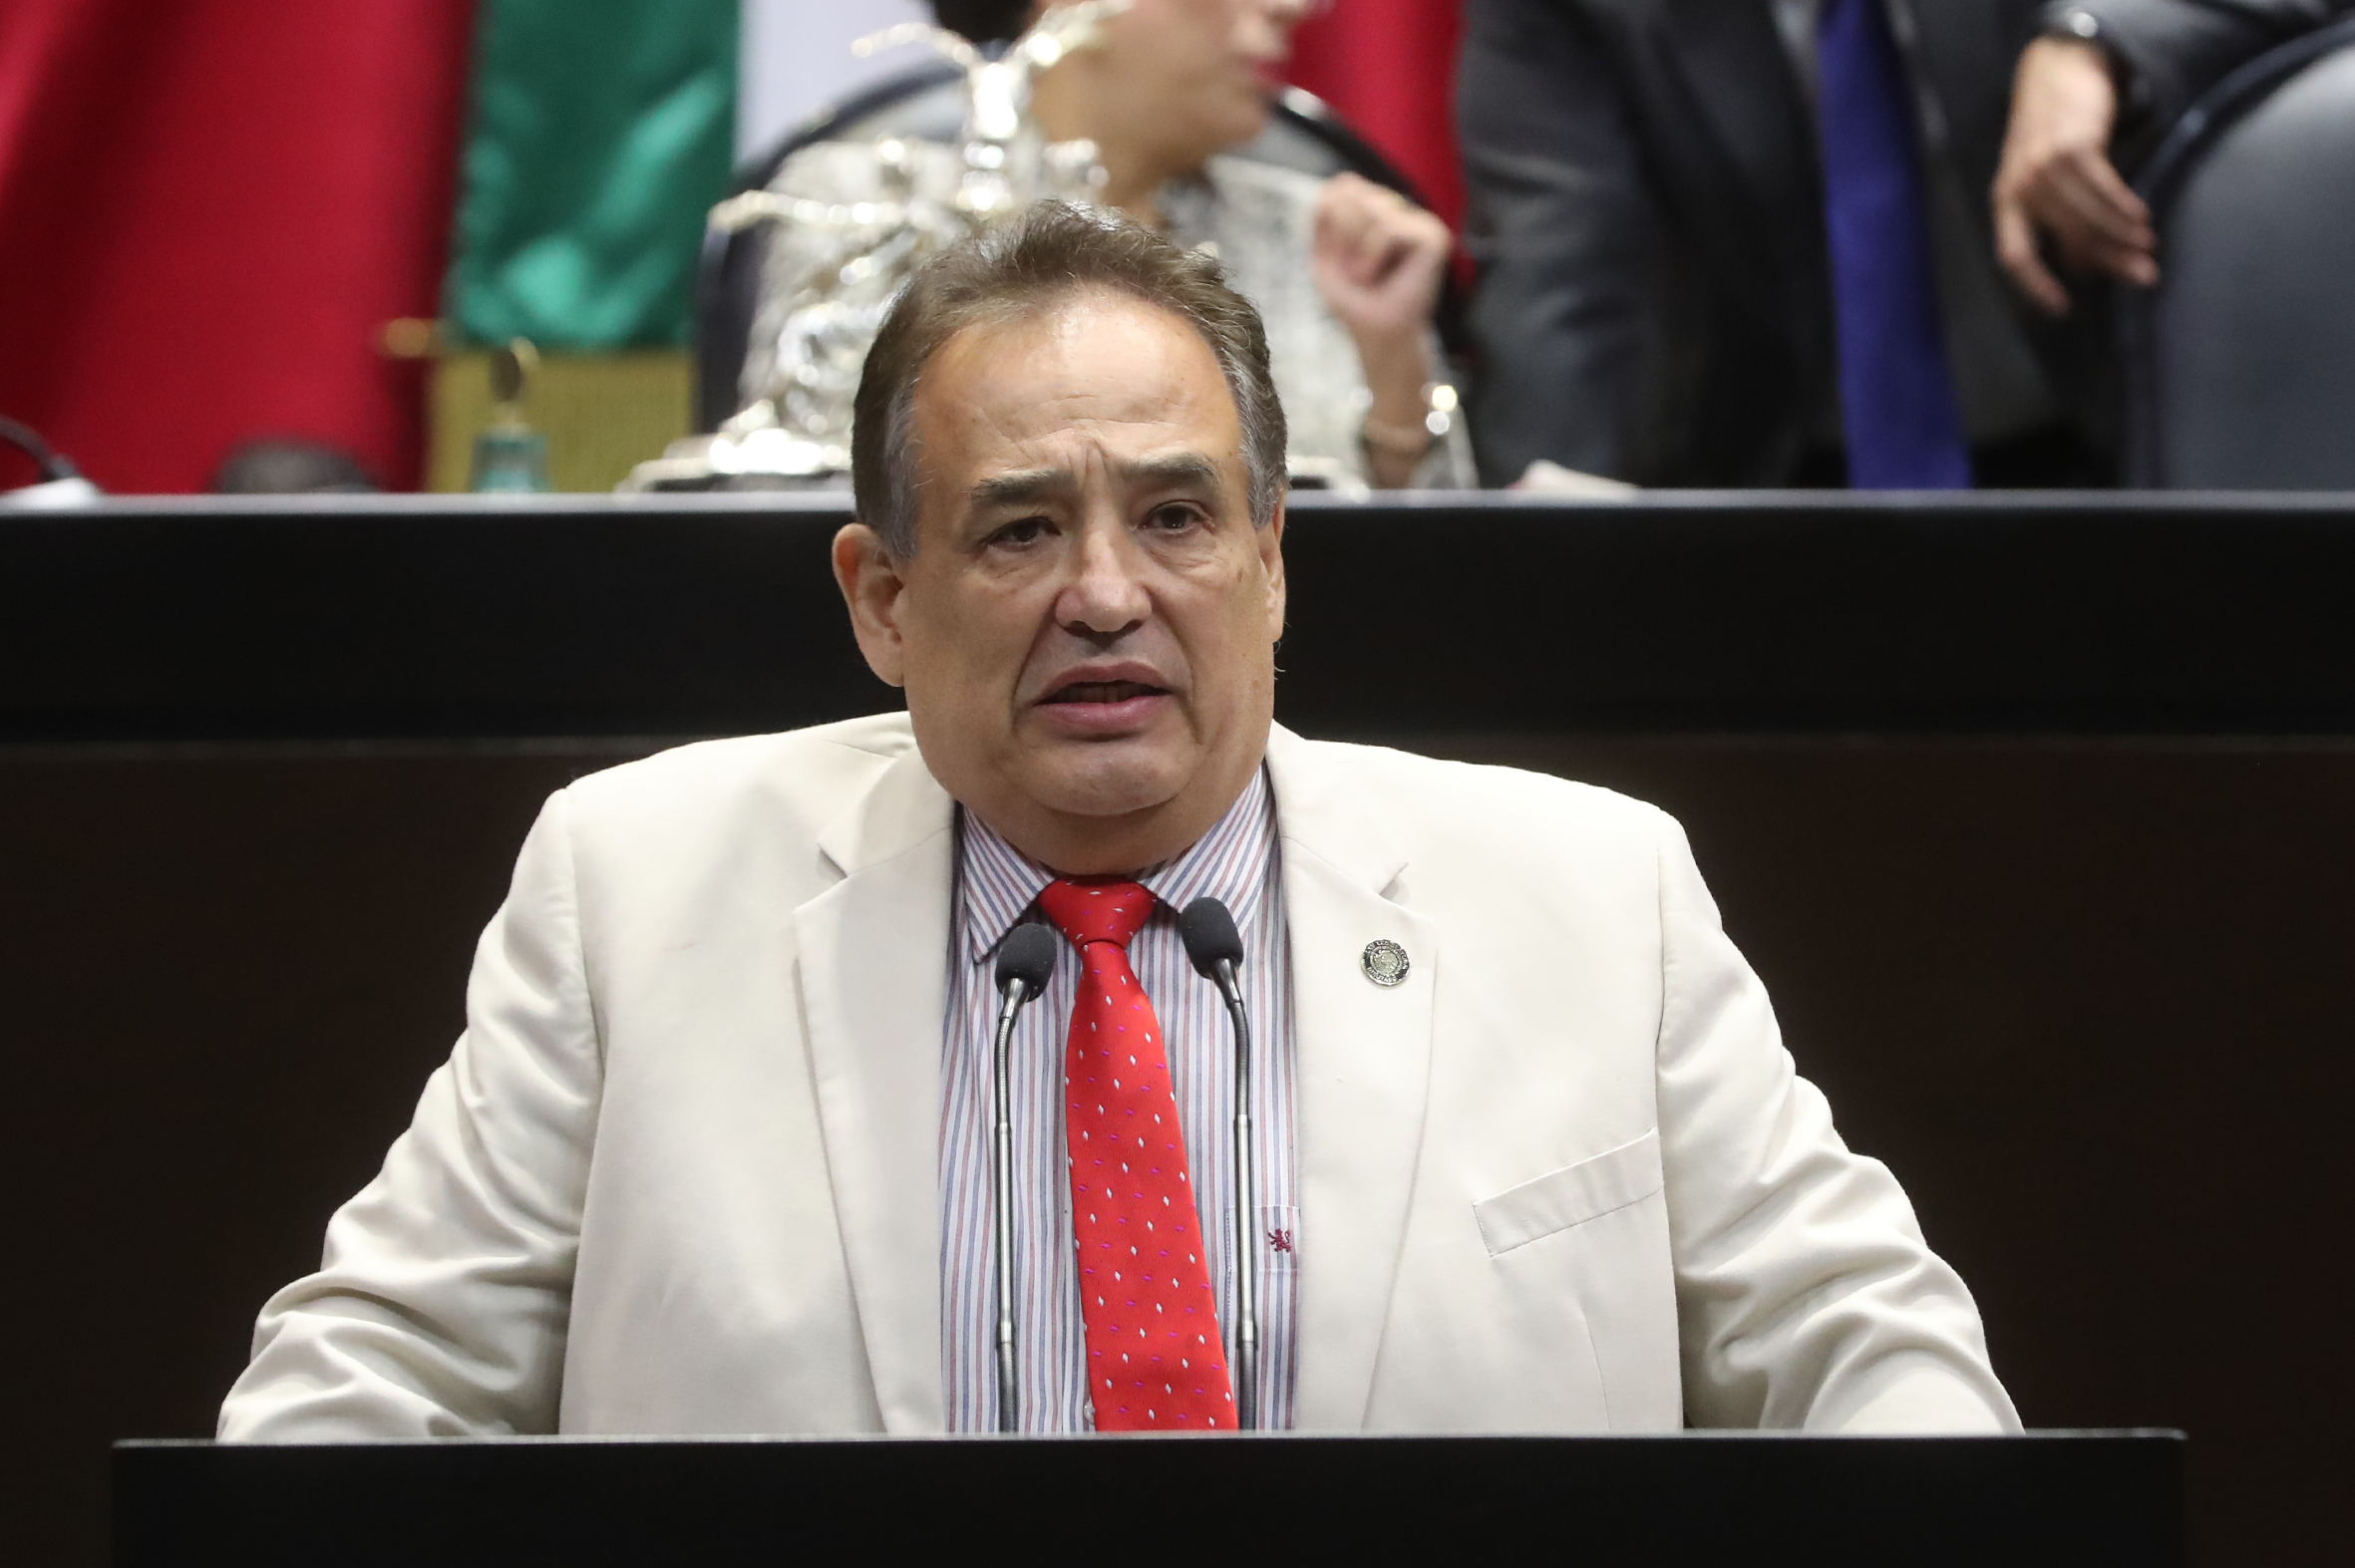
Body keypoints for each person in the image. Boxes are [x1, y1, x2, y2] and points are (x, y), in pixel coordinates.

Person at [221, 204, 2012, 1439]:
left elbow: (1875, 1358)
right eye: (1018, 530)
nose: (1103, 595)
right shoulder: (635, 888)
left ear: (1271, 560)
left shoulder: (1589, 895)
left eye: (1174, 517)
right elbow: (356, 1391)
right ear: (881, 600)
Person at [1459, 0, 2351, 491]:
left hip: (2134, 434)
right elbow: (1560, 278)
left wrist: (2095, 39)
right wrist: (1550, 548)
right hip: (1778, 482)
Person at [747, 0, 1469, 489]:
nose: (1296, 6)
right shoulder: (864, 208)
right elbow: (789, 505)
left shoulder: (1330, 237)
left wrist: (1392, 360)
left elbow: (1443, 565)